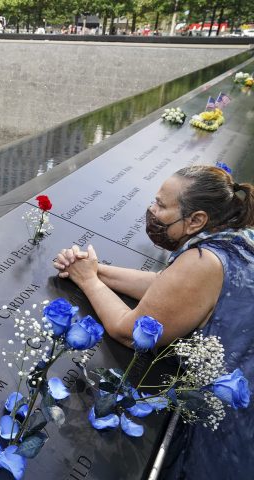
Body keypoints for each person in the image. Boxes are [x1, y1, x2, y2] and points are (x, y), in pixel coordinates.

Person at [53, 165, 254, 479]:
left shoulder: (203, 263)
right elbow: (166, 286)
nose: (151, 210)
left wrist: (89, 282)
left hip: (228, 430)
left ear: (197, 219)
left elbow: (129, 331)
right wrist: (94, 269)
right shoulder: (233, 235)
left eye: (161, 205)